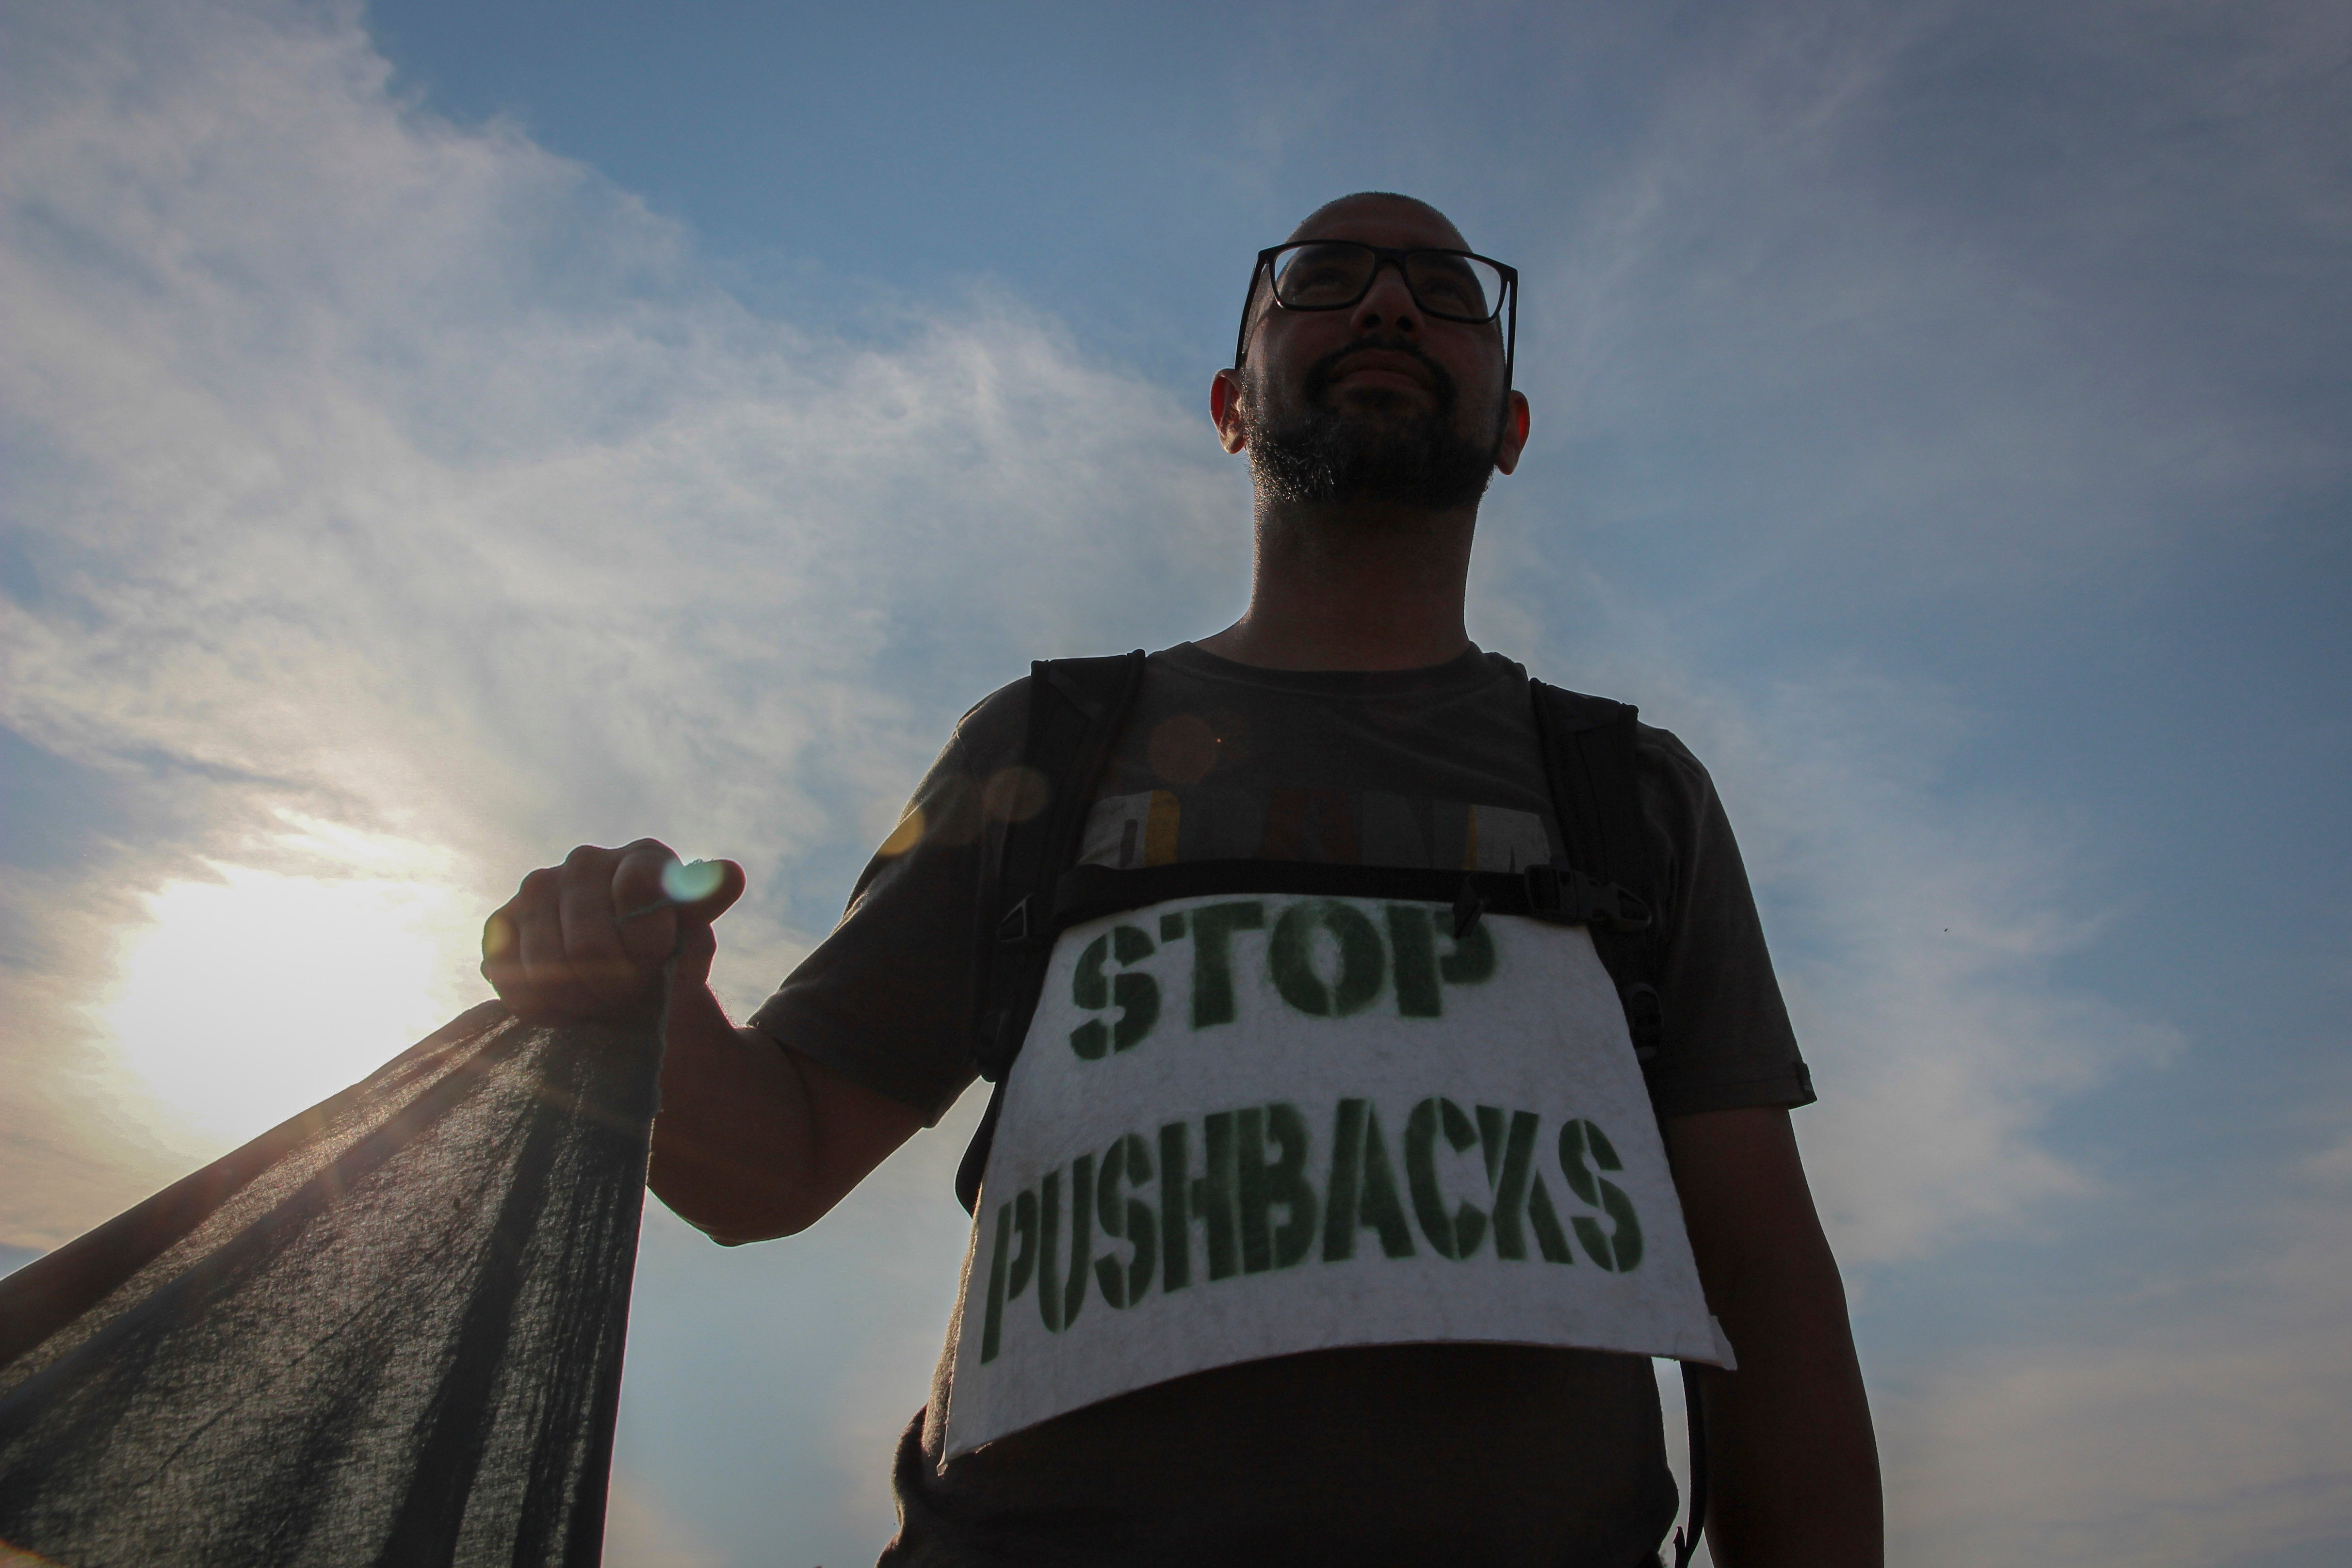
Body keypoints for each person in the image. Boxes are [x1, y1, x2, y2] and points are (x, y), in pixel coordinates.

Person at [482, 192, 1882, 1568]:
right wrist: (639, 1003)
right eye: (1324, 276)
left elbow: (1762, 1275)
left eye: (1445, 292)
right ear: (1227, 404)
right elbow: (768, 1163)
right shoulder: (1043, 748)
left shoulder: (1629, 794)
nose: (1389, 301)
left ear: (1509, 432)